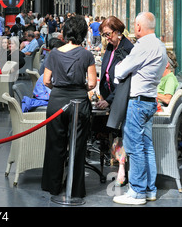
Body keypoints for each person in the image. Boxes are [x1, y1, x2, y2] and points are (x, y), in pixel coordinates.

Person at [113, 12, 167, 205]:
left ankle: (137, 192)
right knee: (146, 147)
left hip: (137, 102)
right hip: (150, 100)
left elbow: (120, 70)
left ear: (138, 27)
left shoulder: (143, 46)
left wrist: (120, 67)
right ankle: (150, 189)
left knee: (134, 147)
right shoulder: (160, 45)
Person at [41, 15, 97, 199]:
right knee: (77, 146)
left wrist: (59, 87)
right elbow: (92, 83)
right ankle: (75, 188)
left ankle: (53, 185)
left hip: (57, 101)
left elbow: (46, 80)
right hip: (79, 102)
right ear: (82, 33)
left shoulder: (54, 53)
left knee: (54, 144)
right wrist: (78, 86)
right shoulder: (87, 54)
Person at [94, 16, 134, 186]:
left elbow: (124, 80)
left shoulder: (127, 49)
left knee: (121, 134)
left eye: (108, 34)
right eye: (104, 35)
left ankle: (123, 169)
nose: (106, 38)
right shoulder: (111, 47)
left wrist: (109, 100)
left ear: (118, 32)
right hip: (110, 97)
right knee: (114, 134)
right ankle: (119, 165)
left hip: (122, 98)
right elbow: (108, 74)